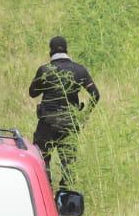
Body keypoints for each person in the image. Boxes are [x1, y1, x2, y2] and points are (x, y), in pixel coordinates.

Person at [28, 36, 100, 185]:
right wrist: (83, 116)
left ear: (50, 52)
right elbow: (95, 94)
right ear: (67, 50)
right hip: (70, 123)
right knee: (68, 166)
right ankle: (66, 199)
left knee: (42, 162)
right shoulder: (80, 70)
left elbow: (33, 93)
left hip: (47, 123)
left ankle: (46, 194)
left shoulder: (45, 70)